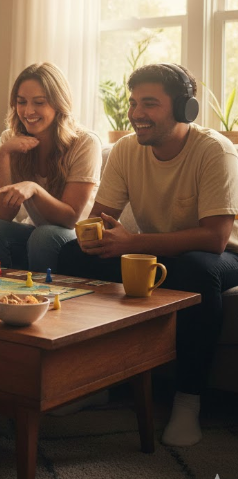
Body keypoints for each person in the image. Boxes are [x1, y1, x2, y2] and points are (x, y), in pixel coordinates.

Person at [57, 63, 238, 447]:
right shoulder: (125, 149)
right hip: (156, 248)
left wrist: (132, 243)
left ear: (186, 108)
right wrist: (91, 237)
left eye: (150, 103)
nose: (136, 113)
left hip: (221, 256)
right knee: (72, 256)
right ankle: (94, 382)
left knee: (196, 270)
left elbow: (215, 238)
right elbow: (99, 218)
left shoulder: (215, 150)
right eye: (134, 102)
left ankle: (188, 400)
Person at [0, 62, 102, 272]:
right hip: (37, 232)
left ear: (58, 103)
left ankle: (42, 301)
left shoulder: (85, 142)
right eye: (21, 102)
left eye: (39, 102)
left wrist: (34, 189)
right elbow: (4, 215)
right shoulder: (10, 138)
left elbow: (70, 218)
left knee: (43, 236)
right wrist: (4, 153)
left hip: (75, 235)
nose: (28, 111)